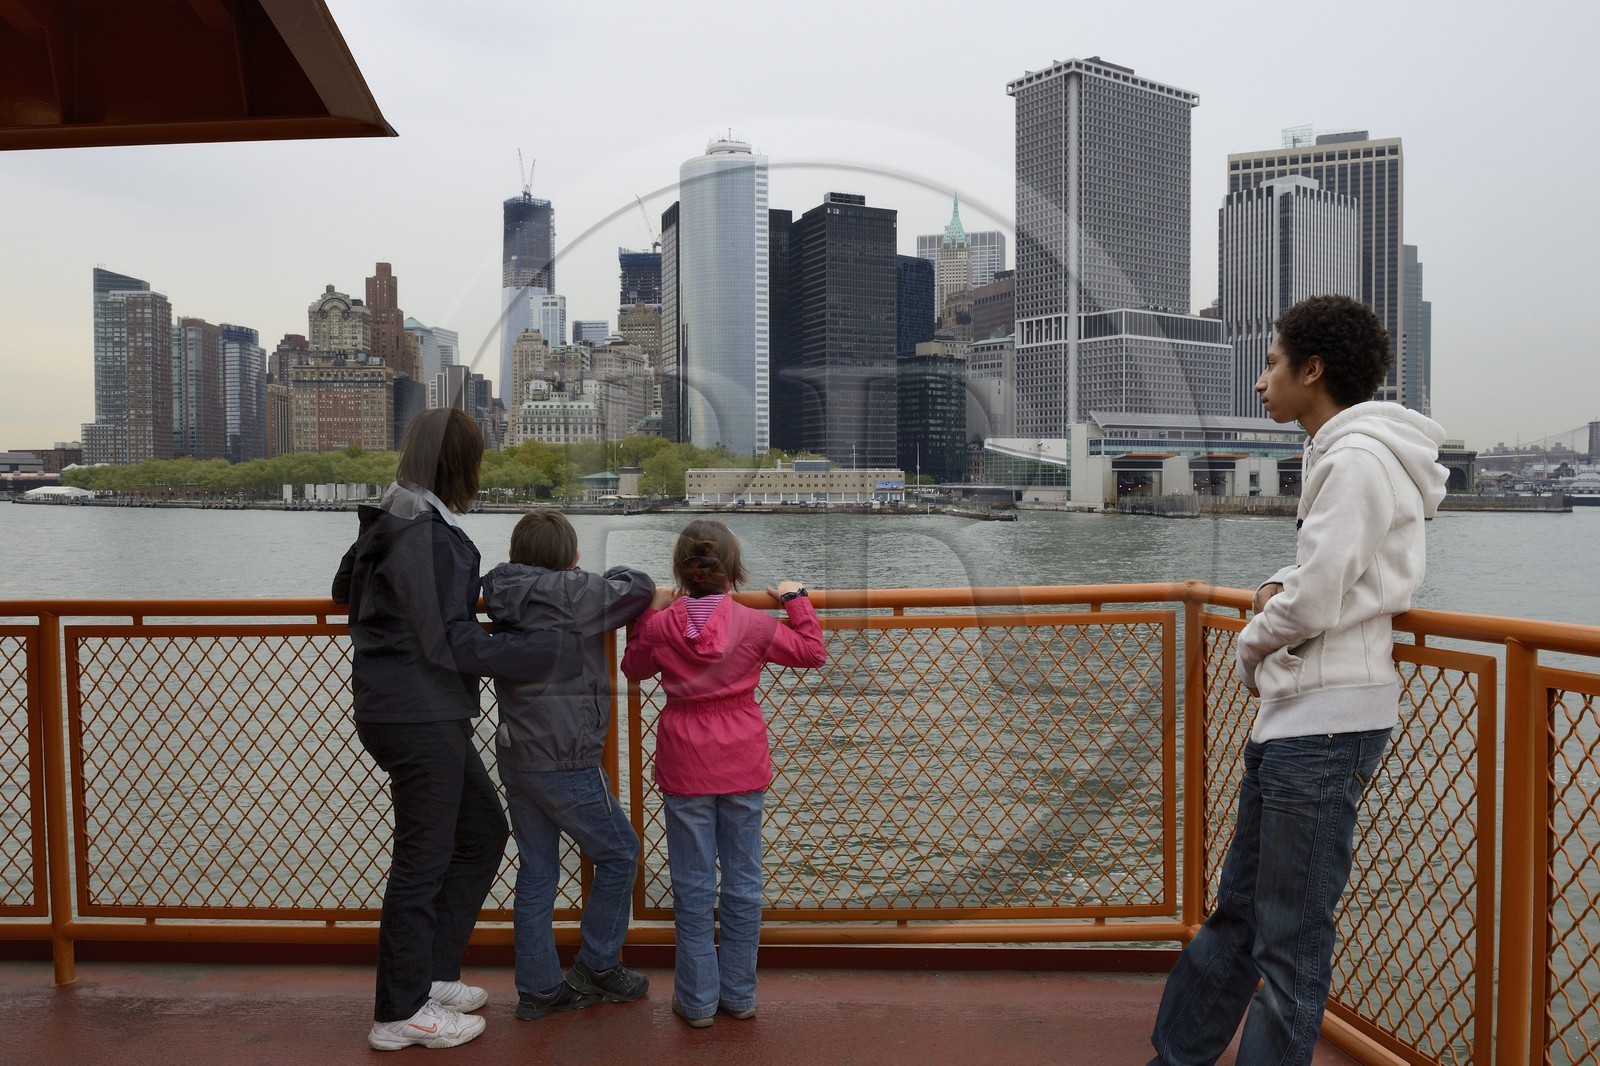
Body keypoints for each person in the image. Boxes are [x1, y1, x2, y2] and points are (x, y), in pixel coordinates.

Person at [1148, 294, 1448, 1065]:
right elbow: (1333, 576)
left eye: (1272, 363)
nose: (1260, 381)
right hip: (1302, 720)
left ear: (1312, 371)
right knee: (1243, 918)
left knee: (1287, 941)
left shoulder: (1353, 461)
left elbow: (1317, 596)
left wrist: (1251, 644)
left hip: (1324, 723)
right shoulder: (1344, 456)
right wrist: (1279, 590)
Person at [333, 408, 582, 1052]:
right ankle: (398, 1012)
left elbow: (343, 590)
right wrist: (542, 652)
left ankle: (430, 975)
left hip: (396, 707)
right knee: (422, 861)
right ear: (459, 464)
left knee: (481, 831)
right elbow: (452, 640)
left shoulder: (395, 517)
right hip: (420, 714)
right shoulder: (430, 536)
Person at [620, 519, 826, 1028]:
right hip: (741, 757)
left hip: (684, 759)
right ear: (733, 571)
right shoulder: (754, 625)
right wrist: (795, 597)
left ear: (682, 573)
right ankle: (739, 994)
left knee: (692, 885)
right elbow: (812, 652)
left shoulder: (664, 626)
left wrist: (650, 610)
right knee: (744, 879)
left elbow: (633, 667)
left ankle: (696, 1002)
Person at [480, 508, 672, 1020]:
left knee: (538, 872)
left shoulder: (501, 589)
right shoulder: (572, 593)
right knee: (620, 852)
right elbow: (638, 585)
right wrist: (584, 577)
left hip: (518, 751)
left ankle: (540, 989)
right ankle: (598, 966)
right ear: (569, 558)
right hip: (565, 755)